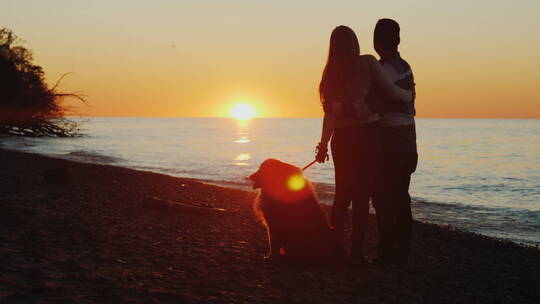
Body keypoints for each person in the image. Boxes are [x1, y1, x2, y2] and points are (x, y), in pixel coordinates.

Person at [315, 25, 411, 264]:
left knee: (342, 195)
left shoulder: (329, 74)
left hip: (342, 140)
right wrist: (408, 96)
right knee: (361, 197)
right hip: (368, 136)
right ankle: (355, 254)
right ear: (355, 42)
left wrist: (323, 145)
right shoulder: (368, 62)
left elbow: (330, 115)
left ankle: (333, 249)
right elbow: (391, 92)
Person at [370, 18, 418, 266]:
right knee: (400, 196)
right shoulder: (405, 67)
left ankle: (387, 252)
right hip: (409, 139)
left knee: (382, 196)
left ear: (376, 42)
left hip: (390, 140)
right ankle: (402, 253)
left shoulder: (384, 70)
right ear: (398, 40)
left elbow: (373, 104)